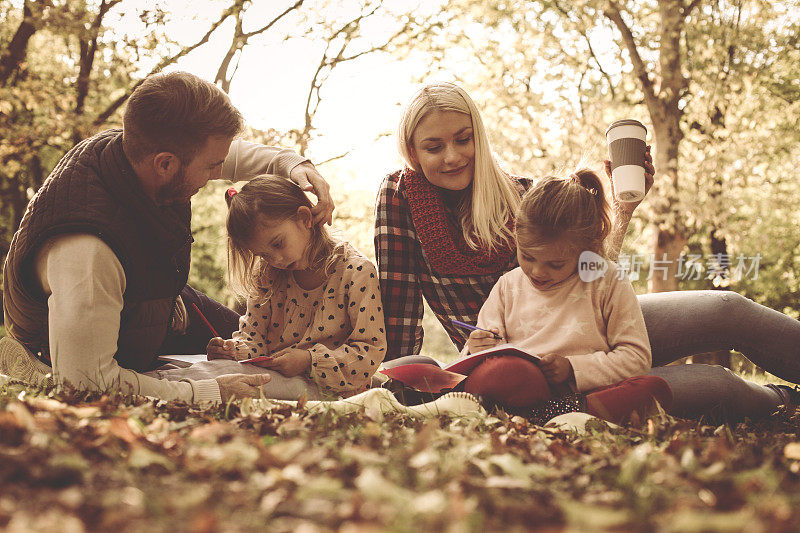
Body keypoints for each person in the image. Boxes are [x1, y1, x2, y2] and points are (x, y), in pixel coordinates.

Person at [375, 81, 800, 421]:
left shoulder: (524, 194)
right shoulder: (399, 198)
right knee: (712, 383)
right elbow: (398, 309)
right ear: (412, 151)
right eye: (434, 147)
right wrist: (403, 379)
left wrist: (622, 209)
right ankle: (781, 401)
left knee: (725, 307)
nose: (452, 156)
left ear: (478, 138)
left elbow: (589, 275)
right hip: (520, 364)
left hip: (588, 324)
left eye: (463, 139)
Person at [0, 71, 334, 404]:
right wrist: (208, 392)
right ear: (165, 165)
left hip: (156, 301)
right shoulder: (87, 255)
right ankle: (40, 366)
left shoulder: (138, 151)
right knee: (255, 378)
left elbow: (225, 154)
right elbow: (87, 384)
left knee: (262, 347)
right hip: (91, 325)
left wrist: (290, 163)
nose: (220, 173)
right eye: (211, 167)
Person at [460, 169, 671, 424]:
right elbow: (474, 361)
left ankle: (563, 412)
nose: (537, 272)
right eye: (527, 256)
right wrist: (474, 348)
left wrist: (572, 369)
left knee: (654, 389)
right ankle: (561, 416)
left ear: (587, 250)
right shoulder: (508, 285)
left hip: (582, 393)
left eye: (556, 264)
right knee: (504, 371)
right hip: (516, 386)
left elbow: (636, 358)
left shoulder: (606, 281)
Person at [161, 176, 386, 400]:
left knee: (225, 376)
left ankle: (154, 387)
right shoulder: (269, 274)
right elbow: (254, 339)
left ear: (305, 218)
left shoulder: (356, 272)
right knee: (213, 369)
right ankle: (155, 384)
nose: (275, 259)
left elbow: (369, 352)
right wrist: (233, 350)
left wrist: (308, 360)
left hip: (333, 389)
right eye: (263, 255)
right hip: (274, 377)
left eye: (278, 244)